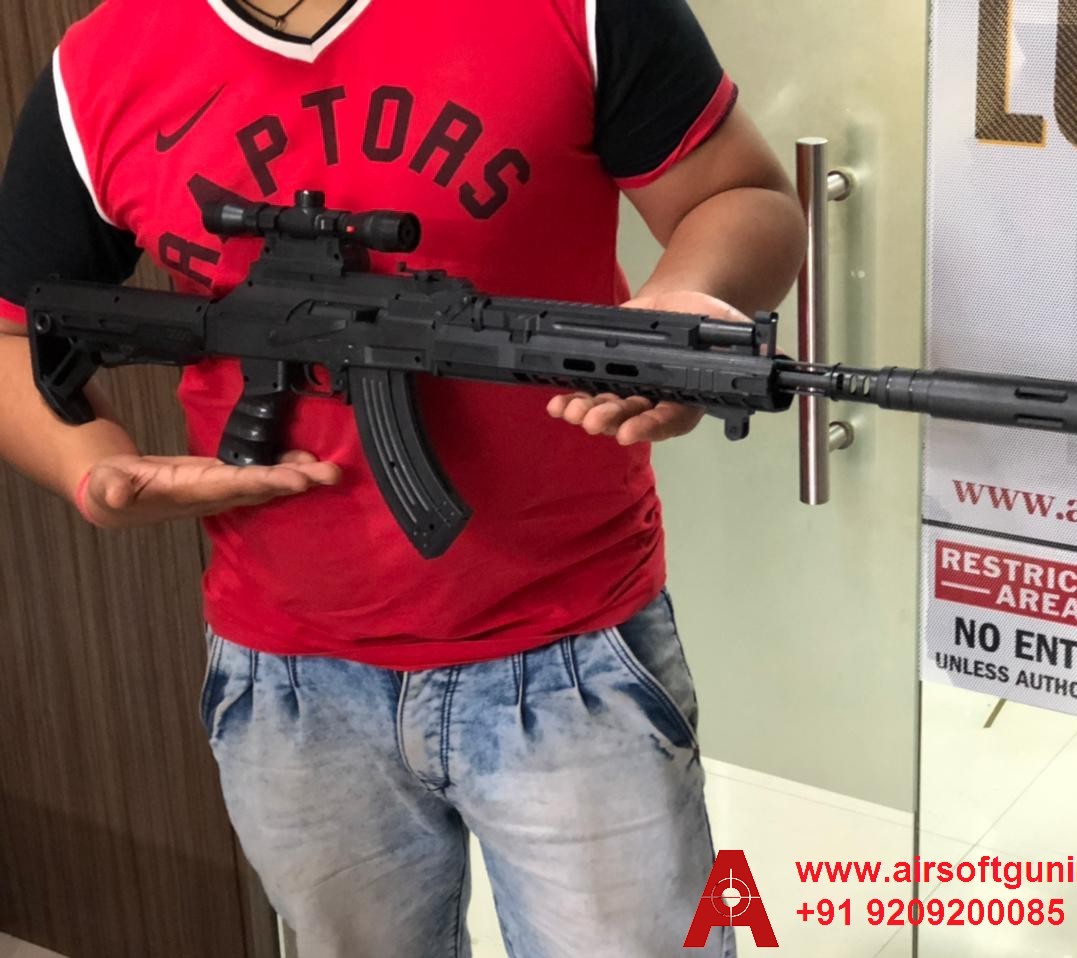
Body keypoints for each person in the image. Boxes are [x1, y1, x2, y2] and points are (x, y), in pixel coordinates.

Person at [0, 0, 805, 953]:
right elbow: (13, 330)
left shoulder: (577, 10)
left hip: (574, 654)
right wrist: (89, 468)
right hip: (287, 684)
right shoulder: (99, 68)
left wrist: (680, 309)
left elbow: (743, 197)